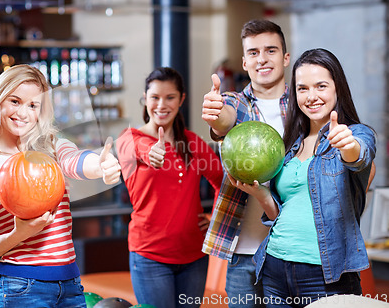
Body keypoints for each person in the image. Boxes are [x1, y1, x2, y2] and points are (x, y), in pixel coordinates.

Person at [0, 64, 122, 308]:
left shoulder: (53, 148)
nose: (23, 113)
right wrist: (19, 234)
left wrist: (101, 165)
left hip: (71, 284)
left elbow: (76, 161)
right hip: (19, 288)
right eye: (15, 101)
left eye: (33, 105)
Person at [234, 48, 376, 307]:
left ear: (337, 89)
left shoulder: (355, 134)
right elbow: (284, 212)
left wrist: (347, 146)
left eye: (321, 86)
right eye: (302, 88)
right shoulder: (290, 145)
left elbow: (360, 156)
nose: (311, 97)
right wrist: (261, 194)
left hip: (326, 276)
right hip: (275, 267)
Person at [116, 67, 224, 308]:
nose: (161, 105)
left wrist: (216, 218)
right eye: (154, 97)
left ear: (181, 100)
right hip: (149, 257)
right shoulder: (129, 139)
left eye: (170, 97)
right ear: (145, 99)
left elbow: (222, 181)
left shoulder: (194, 143)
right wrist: (153, 152)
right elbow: (141, 149)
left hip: (195, 257)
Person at [201, 19, 290, 307]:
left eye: (270, 50)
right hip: (242, 253)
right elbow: (224, 119)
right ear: (244, 61)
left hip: (290, 250)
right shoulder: (234, 102)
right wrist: (216, 114)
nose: (261, 59)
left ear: (285, 58)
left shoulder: (304, 107)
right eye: (253, 52)